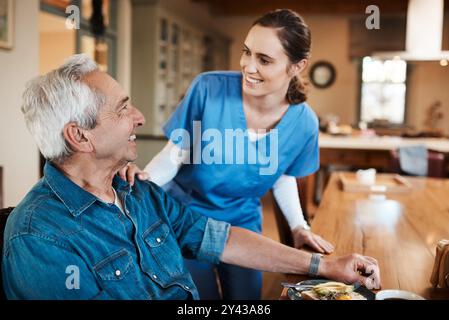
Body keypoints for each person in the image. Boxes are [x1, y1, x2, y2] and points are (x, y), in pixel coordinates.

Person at [1, 54, 381, 300]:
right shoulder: (38, 238)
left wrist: (325, 266)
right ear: (80, 136)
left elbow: (221, 238)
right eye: (122, 109)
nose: (140, 118)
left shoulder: (137, 192)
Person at [121, 9, 333, 299]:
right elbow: (176, 154)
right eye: (247, 52)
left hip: (242, 221)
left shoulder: (305, 122)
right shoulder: (208, 88)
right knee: (198, 299)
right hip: (186, 218)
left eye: (265, 60)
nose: (249, 66)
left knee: (246, 299)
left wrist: (298, 226)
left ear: (297, 66)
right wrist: (142, 184)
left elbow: (282, 174)